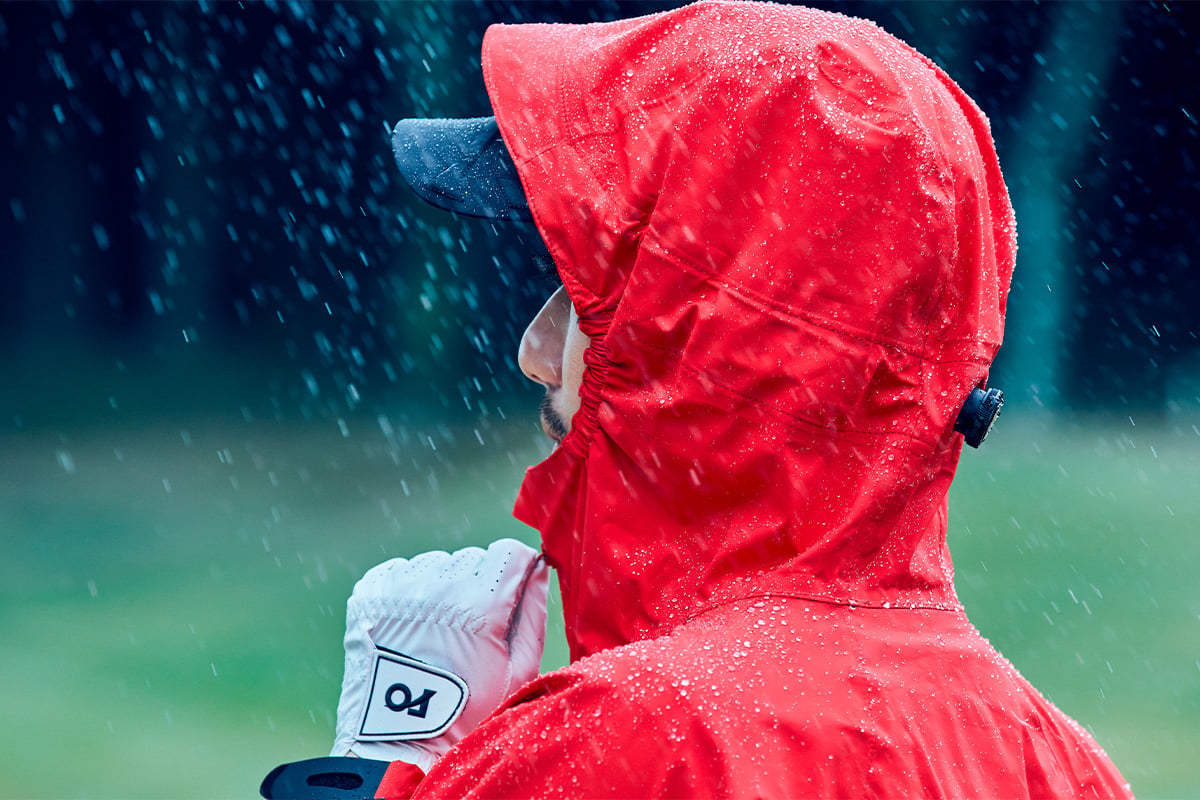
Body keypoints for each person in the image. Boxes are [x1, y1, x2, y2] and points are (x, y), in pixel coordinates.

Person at [263, 2, 1133, 797]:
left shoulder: (623, 740)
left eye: (586, 291)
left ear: (702, 340)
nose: (533, 353)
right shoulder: (1057, 762)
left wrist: (396, 753)